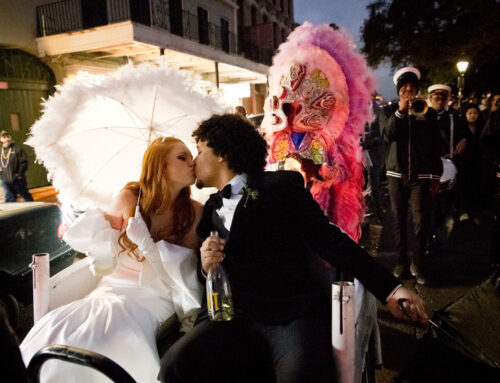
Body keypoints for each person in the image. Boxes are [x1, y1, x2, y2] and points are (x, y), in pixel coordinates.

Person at [160, 114, 428, 383]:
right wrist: (207, 267)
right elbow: (209, 275)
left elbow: (329, 239)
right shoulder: (210, 210)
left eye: (200, 150)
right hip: (233, 318)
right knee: (175, 364)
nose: (194, 160)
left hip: (290, 315)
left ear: (221, 153)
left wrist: (391, 289)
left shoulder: (279, 187)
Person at [20, 137, 204, 382]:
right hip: (110, 289)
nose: (192, 163)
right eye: (182, 157)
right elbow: (103, 262)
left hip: (155, 297)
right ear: (158, 165)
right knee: (60, 325)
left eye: (191, 157)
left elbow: (179, 282)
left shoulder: (194, 213)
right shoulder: (129, 198)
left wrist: (146, 244)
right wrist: (103, 253)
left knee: (113, 332)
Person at [379, 68, 442, 284]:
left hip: (421, 175)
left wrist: (435, 175)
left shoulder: (428, 113)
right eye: (404, 87)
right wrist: (400, 113)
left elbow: (436, 145)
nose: (408, 90)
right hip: (396, 173)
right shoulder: (388, 112)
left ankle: (418, 263)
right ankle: (401, 261)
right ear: (398, 90)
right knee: (398, 220)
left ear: (417, 89)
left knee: (421, 221)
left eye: (412, 87)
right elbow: (389, 135)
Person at [427, 84, 467, 242]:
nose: (439, 101)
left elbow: (465, 133)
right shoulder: (421, 116)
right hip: (427, 167)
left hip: (447, 164)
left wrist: (464, 140)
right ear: (430, 99)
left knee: (444, 206)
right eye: (436, 98)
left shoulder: (453, 117)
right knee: (429, 206)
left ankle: (438, 229)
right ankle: (429, 237)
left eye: (443, 99)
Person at [454, 103, 486, 221]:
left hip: (478, 164)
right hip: (464, 164)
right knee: (464, 187)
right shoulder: (460, 128)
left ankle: (475, 211)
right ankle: (463, 210)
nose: (472, 115)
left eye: (475, 113)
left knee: (476, 188)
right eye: (470, 113)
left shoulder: (483, 126)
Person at [0, 130, 33, 202]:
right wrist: (2, 176)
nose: (6, 139)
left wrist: (19, 175)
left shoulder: (17, 149)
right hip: (6, 182)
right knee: (9, 200)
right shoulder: (1, 152)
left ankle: (35, 212)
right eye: (4, 137)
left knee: (27, 197)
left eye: (8, 136)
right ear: (1, 139)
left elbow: (24, 163)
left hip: (18, 180)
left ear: (10, 137)